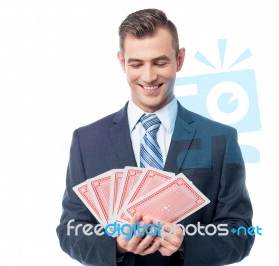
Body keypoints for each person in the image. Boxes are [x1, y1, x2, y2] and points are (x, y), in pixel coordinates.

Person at [56, 8, 254, 266]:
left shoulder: (220, 138)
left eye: (160, 62)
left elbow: (241, 232)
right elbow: (70, 230)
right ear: (121, 62)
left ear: (179, 59)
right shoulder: (87, 141)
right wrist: (114, 245)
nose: (149, 76)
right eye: (136, 64)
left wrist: (186, 242)